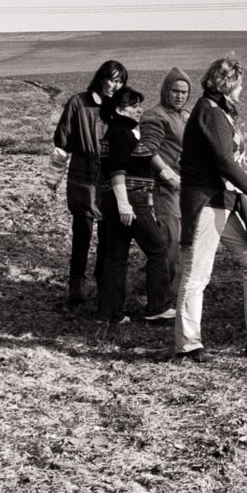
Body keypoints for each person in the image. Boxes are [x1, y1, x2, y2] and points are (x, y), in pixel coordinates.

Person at [173, 55, 247, 357]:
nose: (242, 90)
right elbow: (224, 162)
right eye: (239, 84)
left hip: (222, 202)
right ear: (227, 84)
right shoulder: (211, 113)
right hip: (207, 202)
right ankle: (187, 345)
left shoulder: (217, 112)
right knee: (196, 274)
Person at [93, 86, 173, 326]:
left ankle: (109, 313)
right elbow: (116, 170)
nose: (139, 109)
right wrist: (125, 204)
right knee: (157, 250)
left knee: (116, 256)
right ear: (120, 109)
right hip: (130, 200)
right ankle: (158, 307)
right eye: (134, 105)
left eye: (140, 105)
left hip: (115, 201)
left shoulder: (120, 132)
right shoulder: (120, 133)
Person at [51, 60, 128, 307]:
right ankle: (76, 285)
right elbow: (63, 142)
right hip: (82, 178)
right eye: (111, 79)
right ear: (101, 78)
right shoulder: (78, 103)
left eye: (119, 81)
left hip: (109, 179)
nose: (114, 86)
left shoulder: (121, 107)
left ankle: (101, 281)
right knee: (82, 233)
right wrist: (53, 178)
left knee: (107, 234)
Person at [138, 68, 192, 256]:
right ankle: (160, 284)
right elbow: (147, 149)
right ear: (166, 90)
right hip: (168, 188)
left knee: (184, 241)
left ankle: (172, 283)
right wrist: (168, 175)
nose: (179, 96)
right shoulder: (155, 115)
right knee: (170, 239)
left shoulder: (185, 116)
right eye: (175, 91)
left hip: (188, 187)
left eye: (184, 92)